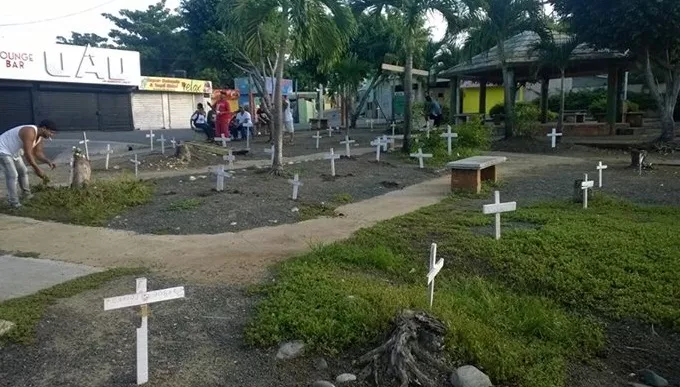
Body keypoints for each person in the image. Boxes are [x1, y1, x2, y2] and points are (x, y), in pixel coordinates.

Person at [0, 120, 57, 208]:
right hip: (3, 150)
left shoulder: (40, 137)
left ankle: (26, 195)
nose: (51, 135)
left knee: (23, 171)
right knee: (13, 175)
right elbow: (28, 154)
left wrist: (48, 161)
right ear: (44, 128)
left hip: (14, 152)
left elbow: (38, 153)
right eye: (51, 132)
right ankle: (14, 202)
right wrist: (37, 169)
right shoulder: (29, 131)